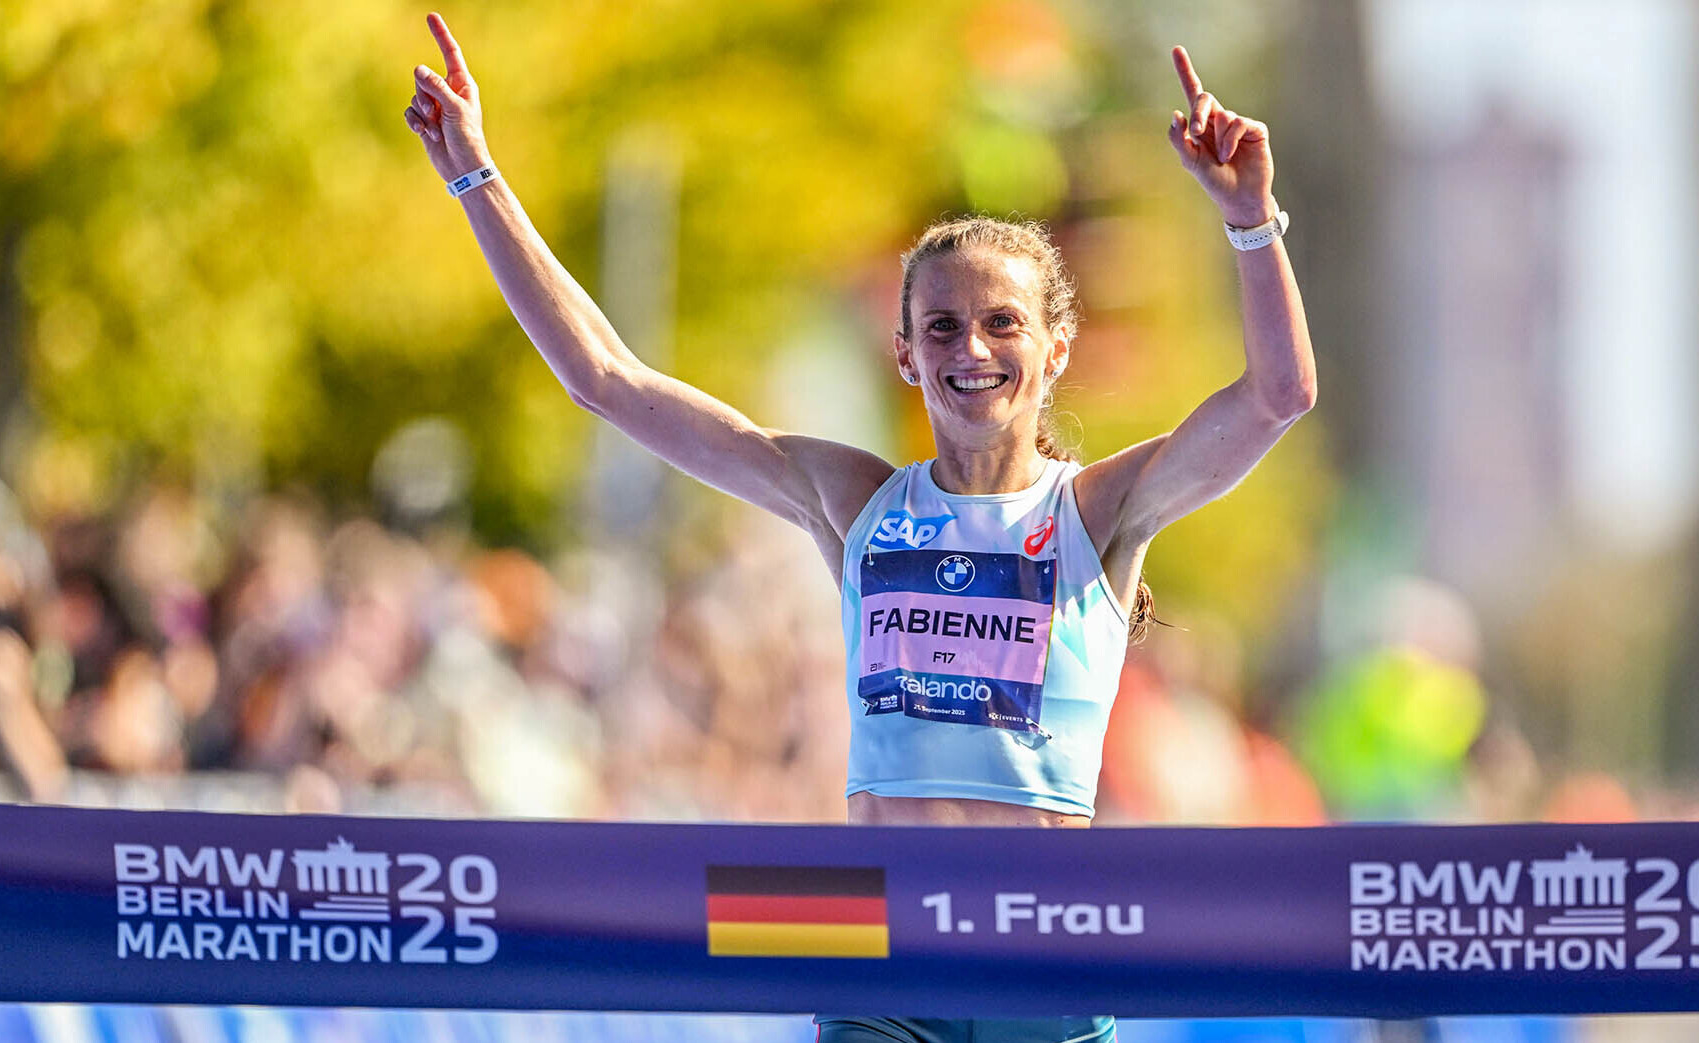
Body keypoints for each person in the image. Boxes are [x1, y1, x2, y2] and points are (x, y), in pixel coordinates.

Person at [405, 12, 1315, 1042]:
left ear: (1056, 350)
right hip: (875, 941)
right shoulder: (856, 500)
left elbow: (1277, 396)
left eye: (1002, 322)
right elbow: (607, 380)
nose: (971, 348)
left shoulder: (1096, 512)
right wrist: (476, 176)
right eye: (942, 327)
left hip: (1042, 954)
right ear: (903, 355)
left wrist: (1251, 218)